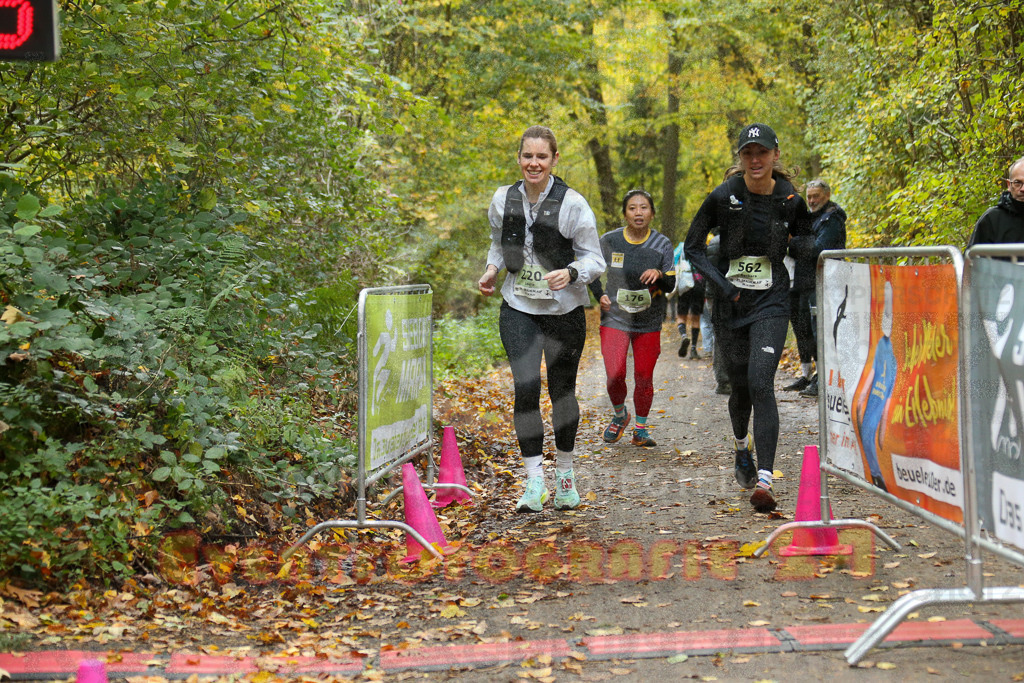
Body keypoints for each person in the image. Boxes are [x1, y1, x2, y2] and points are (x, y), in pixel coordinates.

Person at [683, 123, 813, 513]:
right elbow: (693, 247)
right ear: (740, 159)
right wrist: (723, 286)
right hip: (730, 305)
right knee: (740, 386)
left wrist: (806, 247)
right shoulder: (724, 196)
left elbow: (808, 240)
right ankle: (742, 447)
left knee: (761, 380)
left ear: (775, 155)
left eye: (762, 153)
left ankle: (766, 481)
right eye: (747, 154)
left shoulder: (791, 199)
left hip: (772, 300)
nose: (755, 160)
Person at [478, 125, 606, 513]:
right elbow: (500, 242)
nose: (534, 163)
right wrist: (491, 268)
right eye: (527, 156)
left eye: (542, 156)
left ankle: (565, 477)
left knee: (562, 393)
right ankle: (535, 481)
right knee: (526, 388)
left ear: (553, 160)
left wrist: (570, 274)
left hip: (563, 312)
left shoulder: (573, 204)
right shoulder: (503, 199)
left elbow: (595, 259)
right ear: (519, 158)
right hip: (517, 307)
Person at [589, 190, 676, 448]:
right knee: (614, 373)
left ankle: (641, 429)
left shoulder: (662, 244)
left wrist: (659, 273)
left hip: (648, 321)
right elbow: (592, 269)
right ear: (625, 213)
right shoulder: (609, 241)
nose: (638, 213)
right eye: (632, 208)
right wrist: (599, 295)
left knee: (643, 375)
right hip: (615, 317)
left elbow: (671, 284)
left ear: (651, 213)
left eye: (644, 208)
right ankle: (619, 415)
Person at [785, 179, 848, 397]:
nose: (811, 201)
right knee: (804, 330)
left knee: (819, 330)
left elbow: (819, 249)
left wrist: (792, 243)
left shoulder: (832, 218)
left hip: (824, 283)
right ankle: (811, 376)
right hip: (804, 283)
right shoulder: (811, 218)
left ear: (827, 195)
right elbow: (802, 248)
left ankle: (824, 379)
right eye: (809, 197)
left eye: (816, 197)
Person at [968, 156, 1024, 246]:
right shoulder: (992, 220)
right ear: (1009, 185)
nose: (1023, 189)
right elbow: (972, 257)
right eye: (1017, 183)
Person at [674, 244, 704, 359]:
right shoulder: (702, 247)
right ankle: (693, 349)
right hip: (699, 283)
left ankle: (684, 336)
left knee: (681, 315)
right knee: (696, 317)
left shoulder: (681, 246)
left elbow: (673, 261)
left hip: (685, 283)